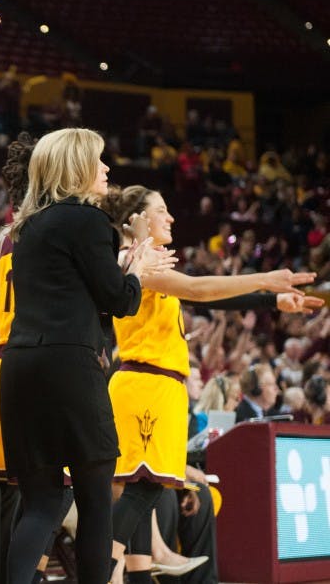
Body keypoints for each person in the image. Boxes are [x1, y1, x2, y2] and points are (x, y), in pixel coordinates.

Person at [99, 183, 318, 583]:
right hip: (144, 387)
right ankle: (99, 571)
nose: (171, 217)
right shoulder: (135, 261)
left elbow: (206, 298)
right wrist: (265, 280)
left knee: (145, 490)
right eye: (161, 210)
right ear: (138, 219)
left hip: (160, 388)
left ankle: (128, 575)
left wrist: (270, 301)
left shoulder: (152, 263)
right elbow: (200, 289)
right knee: (142, 490)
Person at [0, 127, 175, 583]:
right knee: (96, 500)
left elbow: (71, 287)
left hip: (19, 366)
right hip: (70, 367)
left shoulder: (28, 226)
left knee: (39, 503)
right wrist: (134, 269)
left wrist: (119, 269)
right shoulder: (90, 220)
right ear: (77, 166)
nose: (106, 169)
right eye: (98, 160)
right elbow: (118, 301)